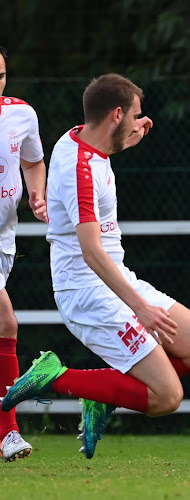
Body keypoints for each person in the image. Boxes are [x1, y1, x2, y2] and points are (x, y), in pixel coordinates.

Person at [1, 73, 190, 459]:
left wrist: (130, 135)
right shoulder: (79, 172)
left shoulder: (82, 138)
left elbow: (100, 155)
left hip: (115, 278)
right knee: (167, 397)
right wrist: (142, 309)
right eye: (135, 115)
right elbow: (91, 251)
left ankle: (102, 396)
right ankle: (54, 377)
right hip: (88, 292)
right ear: (116, 114)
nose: (140, 120)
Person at [0, 45, 49, 463]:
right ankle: (9, 432)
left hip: (3, 240)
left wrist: (36, 193)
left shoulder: (21, 114)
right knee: (5, 321)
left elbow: (33, 161)